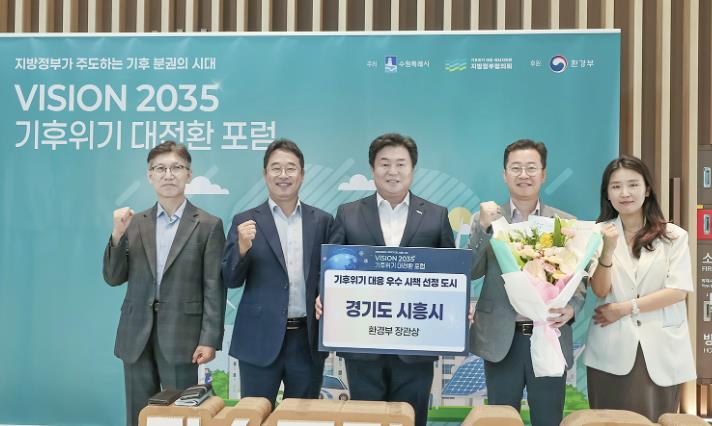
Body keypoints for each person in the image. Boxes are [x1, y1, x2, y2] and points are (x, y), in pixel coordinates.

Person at [317, 132, 455, 426]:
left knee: (411, 419)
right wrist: (324, 295)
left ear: (412, 169)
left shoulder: (436, 216)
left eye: (400, 164)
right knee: (365, 421)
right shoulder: (349, 214)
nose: (393, 171)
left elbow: (451, 274)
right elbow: (332, 268)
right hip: (362, 345)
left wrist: (458, 307)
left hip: (416, 347)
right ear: (373, 168)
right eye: (384, 164)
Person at [103, 141, 226, 426]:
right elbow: (113, 277)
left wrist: (209, 339)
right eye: (160, 169)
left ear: (188, 174)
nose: (168, 175)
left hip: (183, 336)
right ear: (150, 176)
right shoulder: (134, 223)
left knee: (180, 416)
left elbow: (214, 287)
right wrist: (117, 235)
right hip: (136, 335)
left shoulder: (208, 225)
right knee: (138, 416)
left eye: (176, 168)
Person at [468, 139, 585, 426]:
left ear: (543, 174)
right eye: (516, 168)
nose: (524, 175)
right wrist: (482, 227)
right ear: (504, 174)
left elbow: (577, 278)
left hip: (549, 335)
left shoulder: (564, 223)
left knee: (548, 419)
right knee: (500, 420)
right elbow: (470, 270)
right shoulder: (485, 219)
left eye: (531, 168)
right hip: (501, 338)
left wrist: (572, 307)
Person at [584, 155, 695, 421]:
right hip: (611, 348)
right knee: (609, 421)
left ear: (647, 190)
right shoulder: (596, 234)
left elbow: (678, 291)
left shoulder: (674, 236)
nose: (625, 193)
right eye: (616, 186)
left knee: (656, 419)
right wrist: (607, 251)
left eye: (633, 184)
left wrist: (625, 308)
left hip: (661, 348)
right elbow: (600, 290)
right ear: (607, 194)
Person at [222, 139, 333, 405]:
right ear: (265, 174)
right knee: (255, 415)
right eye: (276, 168)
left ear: (302, 174)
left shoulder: (322, 221)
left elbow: (330, 276)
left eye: (291, 168)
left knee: (302, 420)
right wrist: (242, 248)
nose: (283, 175)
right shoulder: (245, 221)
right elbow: (230, 279)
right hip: (258, 340)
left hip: (306, 341)